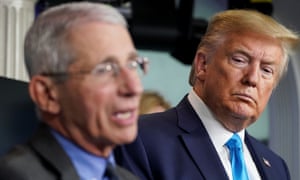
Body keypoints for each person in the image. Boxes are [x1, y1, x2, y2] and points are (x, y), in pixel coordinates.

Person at [115, 9, 299, 180]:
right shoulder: (140, 139)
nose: (252, 79)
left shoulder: (276, 167)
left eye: (266, 70)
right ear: (202, 65)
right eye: (239, 60)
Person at [0, 2, 149, 180]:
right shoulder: (18, 175)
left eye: (133, 64)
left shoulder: (128, 178)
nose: (134, 88)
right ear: (47, 94)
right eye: (106, 69)